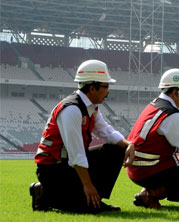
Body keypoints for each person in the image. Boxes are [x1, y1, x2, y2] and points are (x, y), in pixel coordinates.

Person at [31, 60, 135, 213]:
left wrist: (128, 144)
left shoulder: (90, 107)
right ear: (92, 88)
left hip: (69, 166)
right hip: (54, 170)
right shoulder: (72, 109)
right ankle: (44, 191)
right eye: (106, 86)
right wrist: (88, 185)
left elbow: (106, 131)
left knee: (115, 150)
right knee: (82, 208)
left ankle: (93, 200)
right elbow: (76, 153)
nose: (108, 91)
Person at [126, 68, 179, 209]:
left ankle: (149, 194)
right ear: (176, 92)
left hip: (137, 167)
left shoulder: (154, 104)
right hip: (149, 169)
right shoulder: (172, 115)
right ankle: (150, 195)